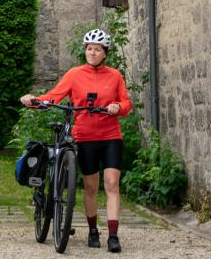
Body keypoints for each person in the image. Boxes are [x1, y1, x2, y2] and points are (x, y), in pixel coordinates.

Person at [19, 28, 132, 253]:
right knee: (91, 186)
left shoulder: (115, 76)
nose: (92, 52)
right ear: (85, 51)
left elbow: (126, 104)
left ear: (105, 53)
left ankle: (113, 235)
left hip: (111, 136)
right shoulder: (75, 74)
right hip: (85, 136)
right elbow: (54, 96)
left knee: (111, 184)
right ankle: (92, 231)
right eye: (89, 49)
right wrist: (34, 100)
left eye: (97, 49)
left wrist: (117, 107)